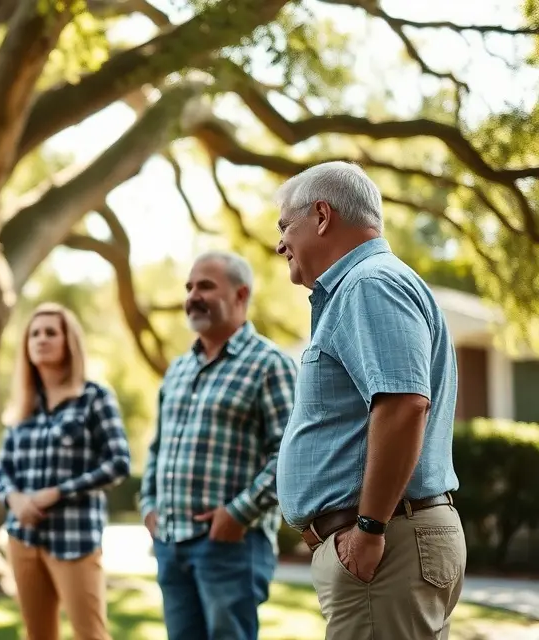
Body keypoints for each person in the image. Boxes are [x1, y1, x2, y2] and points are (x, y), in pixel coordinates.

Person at [273, 161, 466, 639]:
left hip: (384, 547)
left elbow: (403, 405)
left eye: (284, 226)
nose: (280, 244)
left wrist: (369, 529)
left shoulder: (368, 284)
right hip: (386, 546)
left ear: (321, 215)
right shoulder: (367, 285)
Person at [137, 250, 297, 640]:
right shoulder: (178, 368)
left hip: (231, 547)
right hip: (170, 545)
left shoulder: (270, 364)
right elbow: (157, 447)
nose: (192, 295)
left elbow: (292, 455)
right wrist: (148, 506)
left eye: (205, 286)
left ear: (241, 295)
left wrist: (237, 514)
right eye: (189, 287)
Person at [0, 302, 132, 640]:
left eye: (51, 332)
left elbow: (118, 463)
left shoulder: (94, 397)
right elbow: (1, 471)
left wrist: (57, 492)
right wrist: (15, 500)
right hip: (23, 539)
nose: (41, 338)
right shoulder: (23, 407)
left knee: (91, 635)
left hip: (75, 540)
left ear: (69, 341)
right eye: (34, 333)